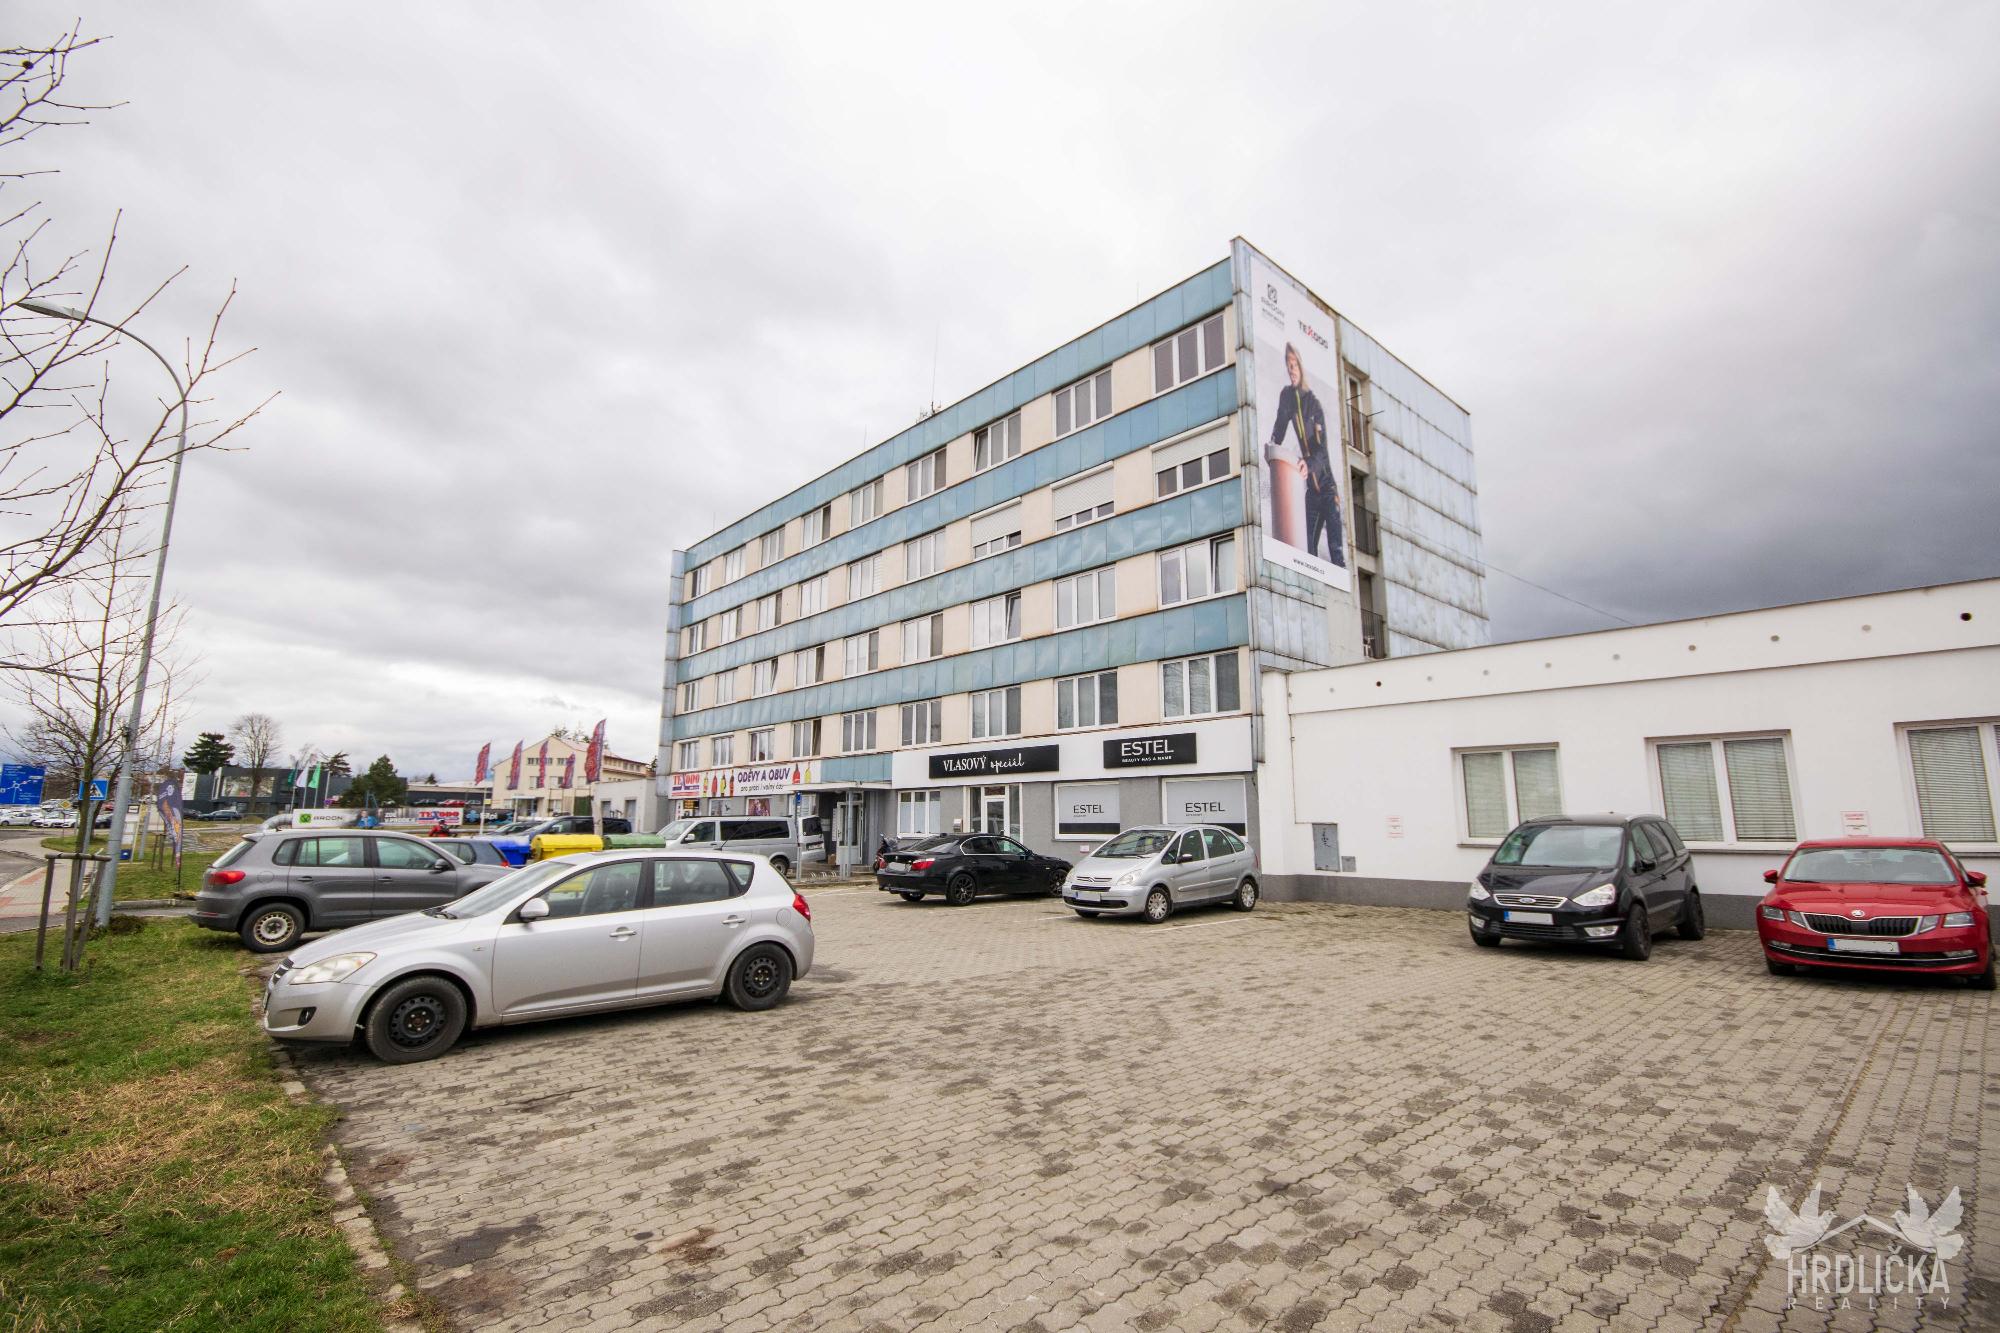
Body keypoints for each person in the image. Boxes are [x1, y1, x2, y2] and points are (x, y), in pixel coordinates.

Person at [1265, 342, 1346, 566]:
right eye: (1288, 365)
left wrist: (1308, 464)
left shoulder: (1314, 405)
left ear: (1300, 367)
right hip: (1311, 491)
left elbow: (1322, 449)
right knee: (1306, 553)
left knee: (1336, 554)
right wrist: (1272, 447)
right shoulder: (1287, 396)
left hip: (1328, 490)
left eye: (1294, 365)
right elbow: (1280, 425)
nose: (1290, 370)